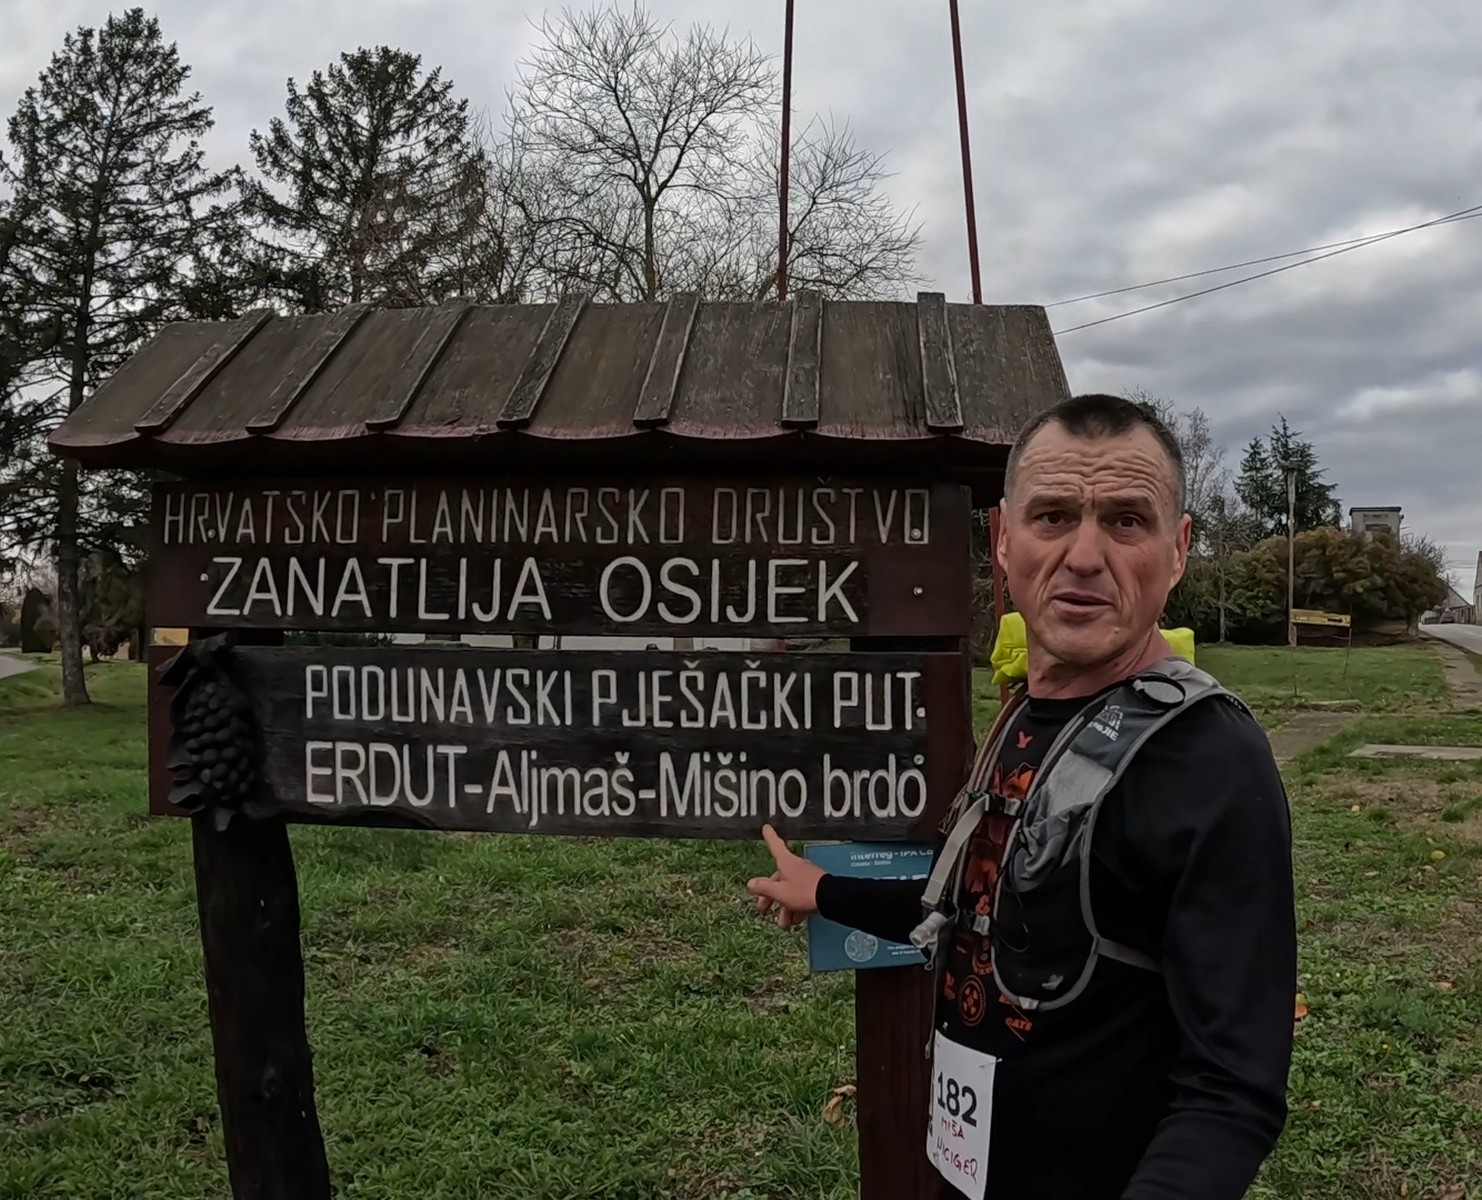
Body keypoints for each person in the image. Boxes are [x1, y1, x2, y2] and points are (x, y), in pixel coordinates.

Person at [748, 393, 1296, 1198]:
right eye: (1053, 517)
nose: (1084, 555)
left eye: (1126, 521)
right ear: (1004, 539)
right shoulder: (1025, 715)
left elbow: (1231, 1092)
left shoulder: (1209, 760)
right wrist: (825, 891)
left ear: (1177, 550)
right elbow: (979, 904)